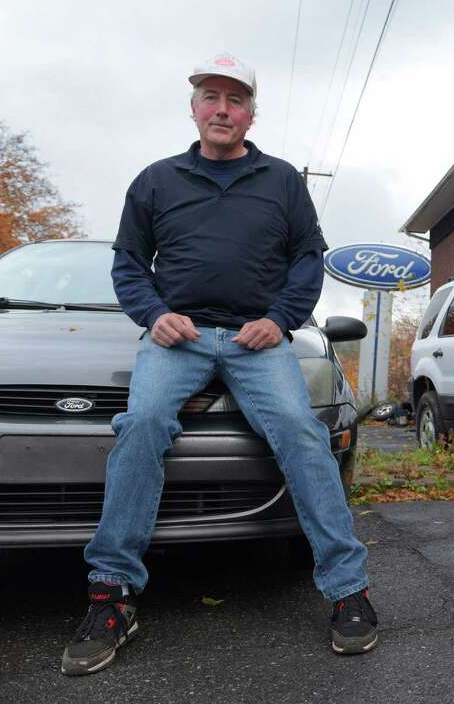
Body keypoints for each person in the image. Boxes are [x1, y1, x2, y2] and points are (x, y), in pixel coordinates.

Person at [61, 53, 378, 676]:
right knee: (142, 425)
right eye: (211, 97)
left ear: (251, 113)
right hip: (174, 340)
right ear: (194, 108)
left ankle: (348, 590)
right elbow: (128, 263)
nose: (222, 110)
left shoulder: (282, 180)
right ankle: (112, 595)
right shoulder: (156, 180)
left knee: (301, 432)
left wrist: (280, 319)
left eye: (235, 100)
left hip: (255, 342)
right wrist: (154, 316)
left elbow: (308, 259)